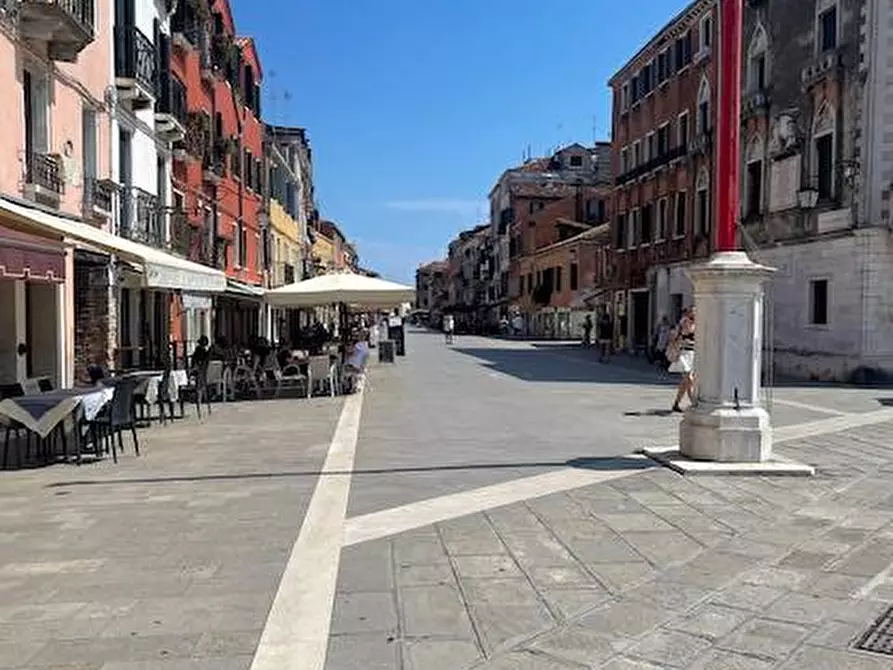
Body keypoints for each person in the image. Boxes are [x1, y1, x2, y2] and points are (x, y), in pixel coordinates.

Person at [668, 307, 697, 412]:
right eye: (693, 312)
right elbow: (674, 337)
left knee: (685, 383)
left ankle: (676, 404)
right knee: (689, 379)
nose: (694, 314)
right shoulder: (683, 324)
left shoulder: (698, 324)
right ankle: (694, 403)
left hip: (693, 354)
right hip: (683, 354)